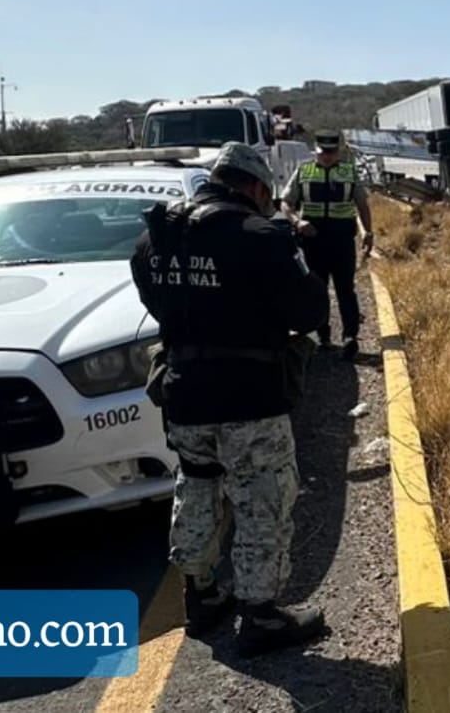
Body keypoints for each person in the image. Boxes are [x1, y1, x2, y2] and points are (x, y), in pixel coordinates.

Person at [129, 142, 330, 657]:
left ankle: (200, 595)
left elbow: (155, 300)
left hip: (184, 393)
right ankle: (260, 616)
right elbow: (308, 312)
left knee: (196, 487)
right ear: (258, 187)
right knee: (261, 497)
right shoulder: (263, 237)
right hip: (249, 396)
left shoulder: (157, 237)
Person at [279, 130, 373, 361]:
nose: (327, 157)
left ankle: (350, 337)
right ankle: (324, 338)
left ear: (338, 151)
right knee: (317, 290)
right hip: (313, 240)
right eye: (323, 153)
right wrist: (297, 221)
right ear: (316, 151)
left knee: (345, 290)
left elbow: (362, 204)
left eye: (331, 153)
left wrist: (368, 233)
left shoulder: (349, 172)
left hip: (341, 240)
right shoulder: (304, 171)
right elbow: (286, 202)